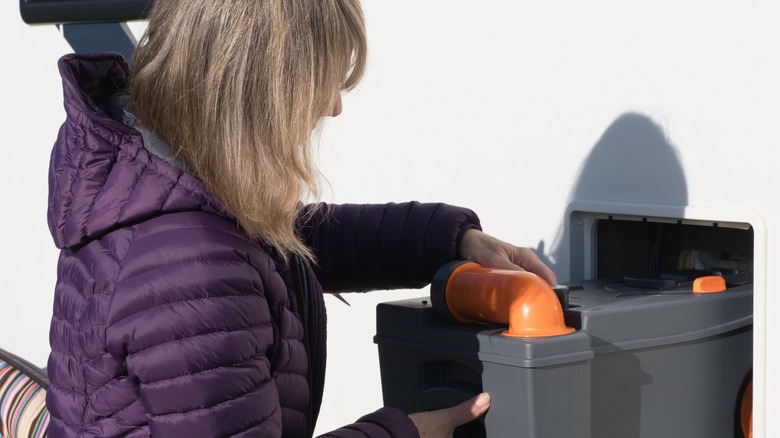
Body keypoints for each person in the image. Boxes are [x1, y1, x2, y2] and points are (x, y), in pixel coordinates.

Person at [44, 1, 558, 437]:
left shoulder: (150, 177)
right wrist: (405, 432)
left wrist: (451, 239)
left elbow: (280, 247)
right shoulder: (190, 269)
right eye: (324, 81)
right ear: (259, 88)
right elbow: (225, 268)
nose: (334, 106)